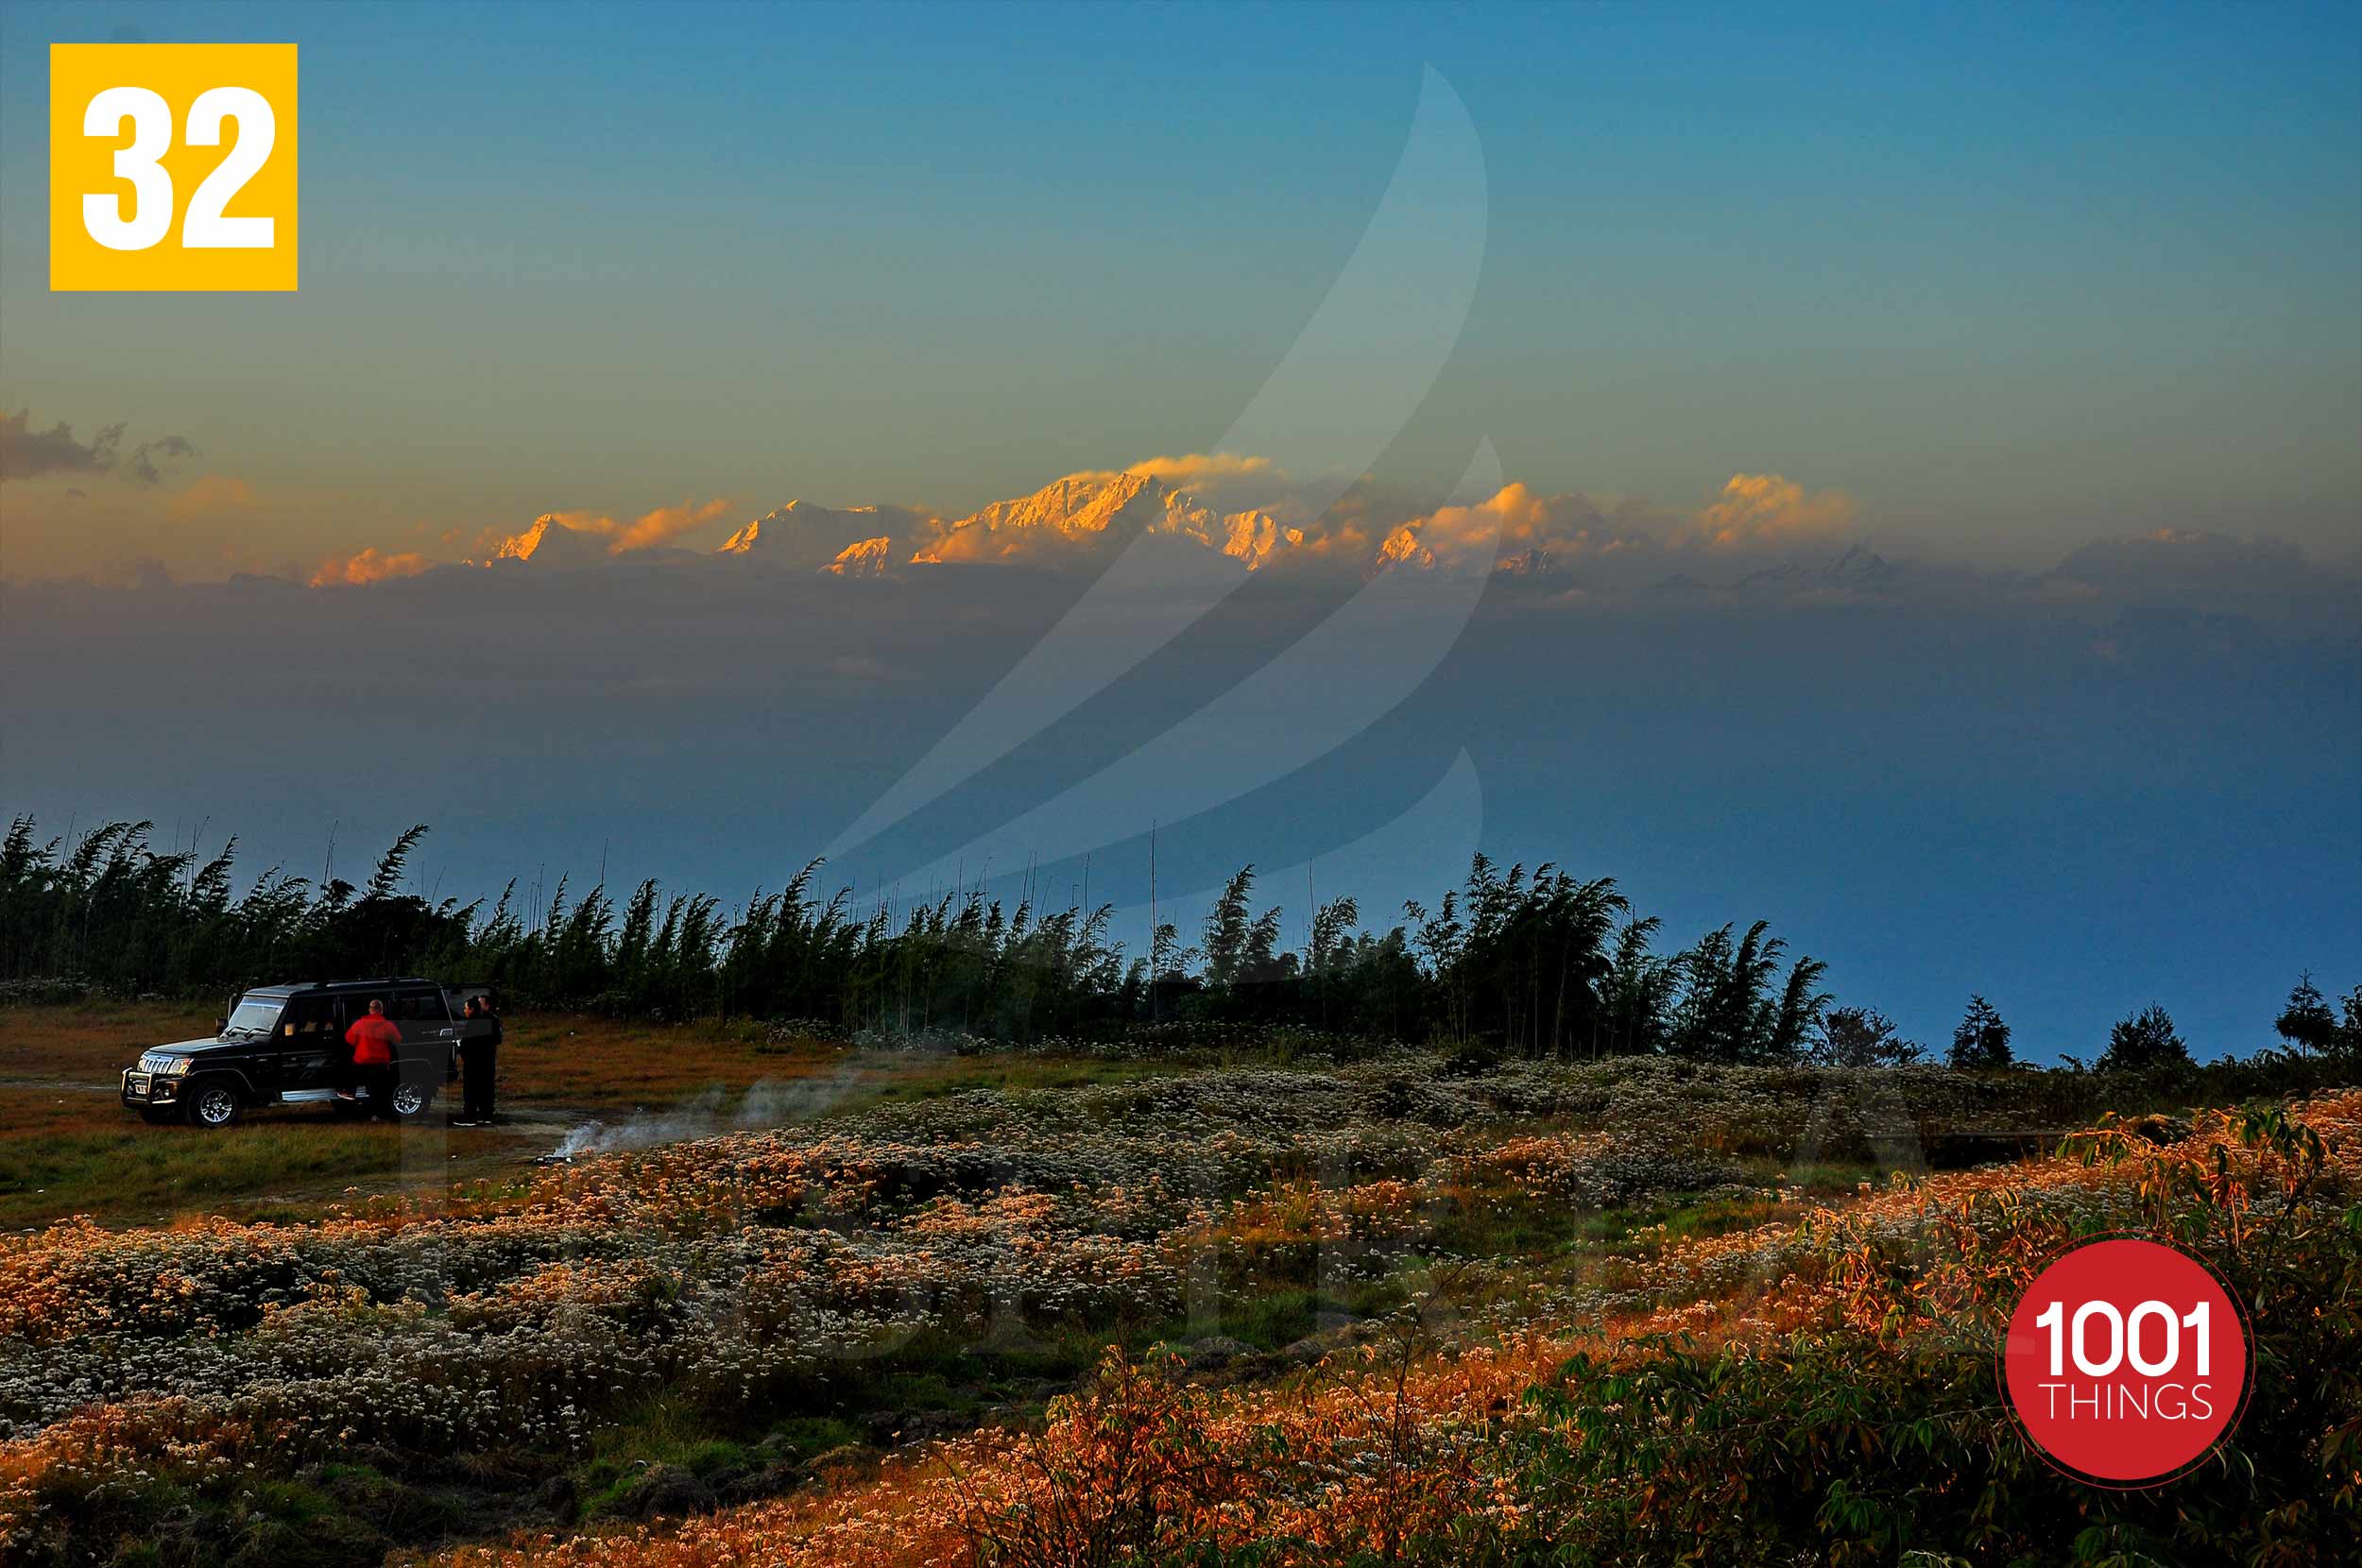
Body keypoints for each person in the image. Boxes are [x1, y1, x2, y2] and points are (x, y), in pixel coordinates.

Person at [344, 998, 402, 1116]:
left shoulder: (360, 1023)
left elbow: (348, 1039)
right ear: (381, 1010)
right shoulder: (387, 1025)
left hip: (363, 1063)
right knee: (378, 1090)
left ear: (370, 1010)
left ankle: (350, 1093)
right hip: (381, 1063)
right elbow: (398, 1039)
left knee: (350, 1071)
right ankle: (378, 1114)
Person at [460, 994, 501, 1124]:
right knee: (483, 1088)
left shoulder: (486, 1020)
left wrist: (463, 1051)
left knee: (476, 1089)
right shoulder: (484, 1020)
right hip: (484, 1059)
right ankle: (484, 1115)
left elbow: (470, 1043)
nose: (464, 1011)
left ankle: (473, 1116)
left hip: (478, 1061)